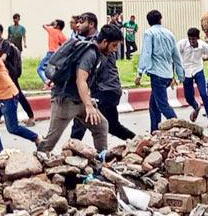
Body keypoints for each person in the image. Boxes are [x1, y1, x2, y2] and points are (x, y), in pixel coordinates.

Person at [39, 20, 122, 153]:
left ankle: (101, 161)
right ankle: (35, 161)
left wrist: (88, 102)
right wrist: (89, 106)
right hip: (65, 101)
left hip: (79, 100)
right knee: (51, 139)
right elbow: (81, 80)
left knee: (101, 125)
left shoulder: (99, 55)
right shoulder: (90, 53)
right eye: (114, 45)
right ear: (105, 42)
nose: (115, 49)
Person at [71, 18, 135, 144]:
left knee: (82, 119)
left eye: (81, 22)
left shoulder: (98, 48)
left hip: (105, 90)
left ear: (91, 25)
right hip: (111, 90)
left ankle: (71, 149)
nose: (78, 25)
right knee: (113, 126)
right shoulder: (99, 46)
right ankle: (137, 142)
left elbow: (88, 74)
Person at [135, 10, 185, 132]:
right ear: (160, 19)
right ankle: (154, 131)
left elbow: (147, 53)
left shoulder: (149, 33)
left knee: (162, 105)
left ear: (148, 21)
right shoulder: (169, 34)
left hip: (157, 75)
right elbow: (176, 55)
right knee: (153, 106)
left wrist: (140, 73)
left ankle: (179, 127)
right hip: (168, 74)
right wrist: (180, 74)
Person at [0, 23, 35, 127]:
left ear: (1, 32)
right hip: (0, 74)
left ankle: (31, 117)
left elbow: (3, 58)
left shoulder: (5, 44)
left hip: (10, 74)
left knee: (19, 95)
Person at [177, 28, 208, 128]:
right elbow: (175, 57)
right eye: (190, 39)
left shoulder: (203, 45)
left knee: (204, 94)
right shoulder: (182, 44)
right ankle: (196, 107)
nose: (192, 41)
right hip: (186, 71)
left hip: (198, 70)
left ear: (198, 38)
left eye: (194, 39)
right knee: (188, 97)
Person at [37, 19, 68, 83]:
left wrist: (50, 24)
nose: (53, 24)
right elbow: (65, 44)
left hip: (51, 53)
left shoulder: (52, 30)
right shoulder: (62, 34)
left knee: (40, 69)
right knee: (52, 70)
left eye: (55, 23)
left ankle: (47, 82)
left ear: (58, 26)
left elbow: (44, 25)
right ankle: (52, 82)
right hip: (57, 54)